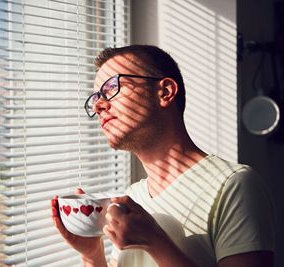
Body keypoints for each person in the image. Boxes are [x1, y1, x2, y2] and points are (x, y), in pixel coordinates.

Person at [50, 45, 276, 267]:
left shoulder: (234, 185)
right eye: (96, 97)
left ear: (165, 92)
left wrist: (155, 241)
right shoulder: (133, 197)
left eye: (111, 87)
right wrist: (91, 254)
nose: (99, 105)